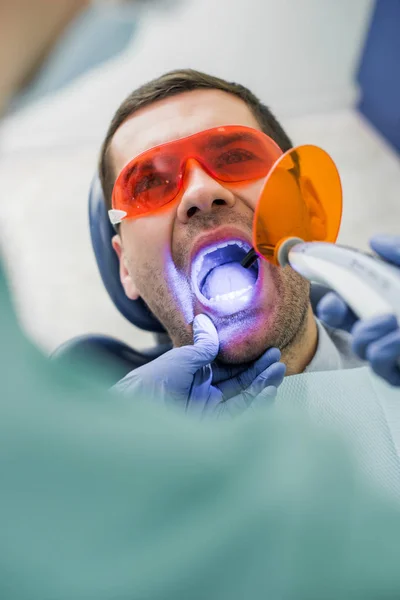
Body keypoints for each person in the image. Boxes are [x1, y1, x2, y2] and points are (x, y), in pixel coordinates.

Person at [3, 2, 400, 597]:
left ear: (306, 209)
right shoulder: (86, 438)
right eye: (150, 182)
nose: (202, 191)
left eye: (235, 156)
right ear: (126, 269)